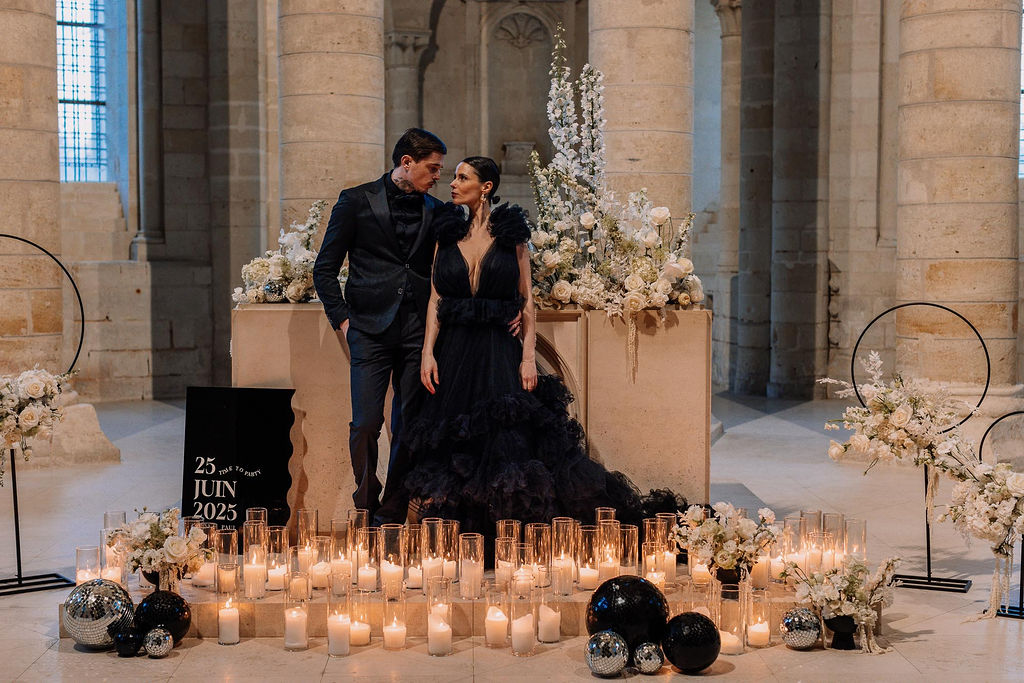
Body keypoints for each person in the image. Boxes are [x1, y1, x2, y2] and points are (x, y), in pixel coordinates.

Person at [403, 157, 681, 536]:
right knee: (454, 441)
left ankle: (501, 531)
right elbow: (436, 298)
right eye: (452, 176)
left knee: (505, 441)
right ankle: (453, 529)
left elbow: (526, 300)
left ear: (486, 187)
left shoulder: (511, 231)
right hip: (453, 351)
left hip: (498, 349)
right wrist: (427, 352)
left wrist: (527, 358)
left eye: (462, 177)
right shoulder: (446, 230)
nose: (452, 183)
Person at [312, 128, 447, 525]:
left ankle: (392, 509)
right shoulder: (355, 201)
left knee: (408, 425)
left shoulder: (437, 211)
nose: (437, 175)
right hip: (368, 329)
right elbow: (324, 269)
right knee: (366, 423)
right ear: (407, 163)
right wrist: (343, 320)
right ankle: (366, 501)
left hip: (416, 333)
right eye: (433, 168)